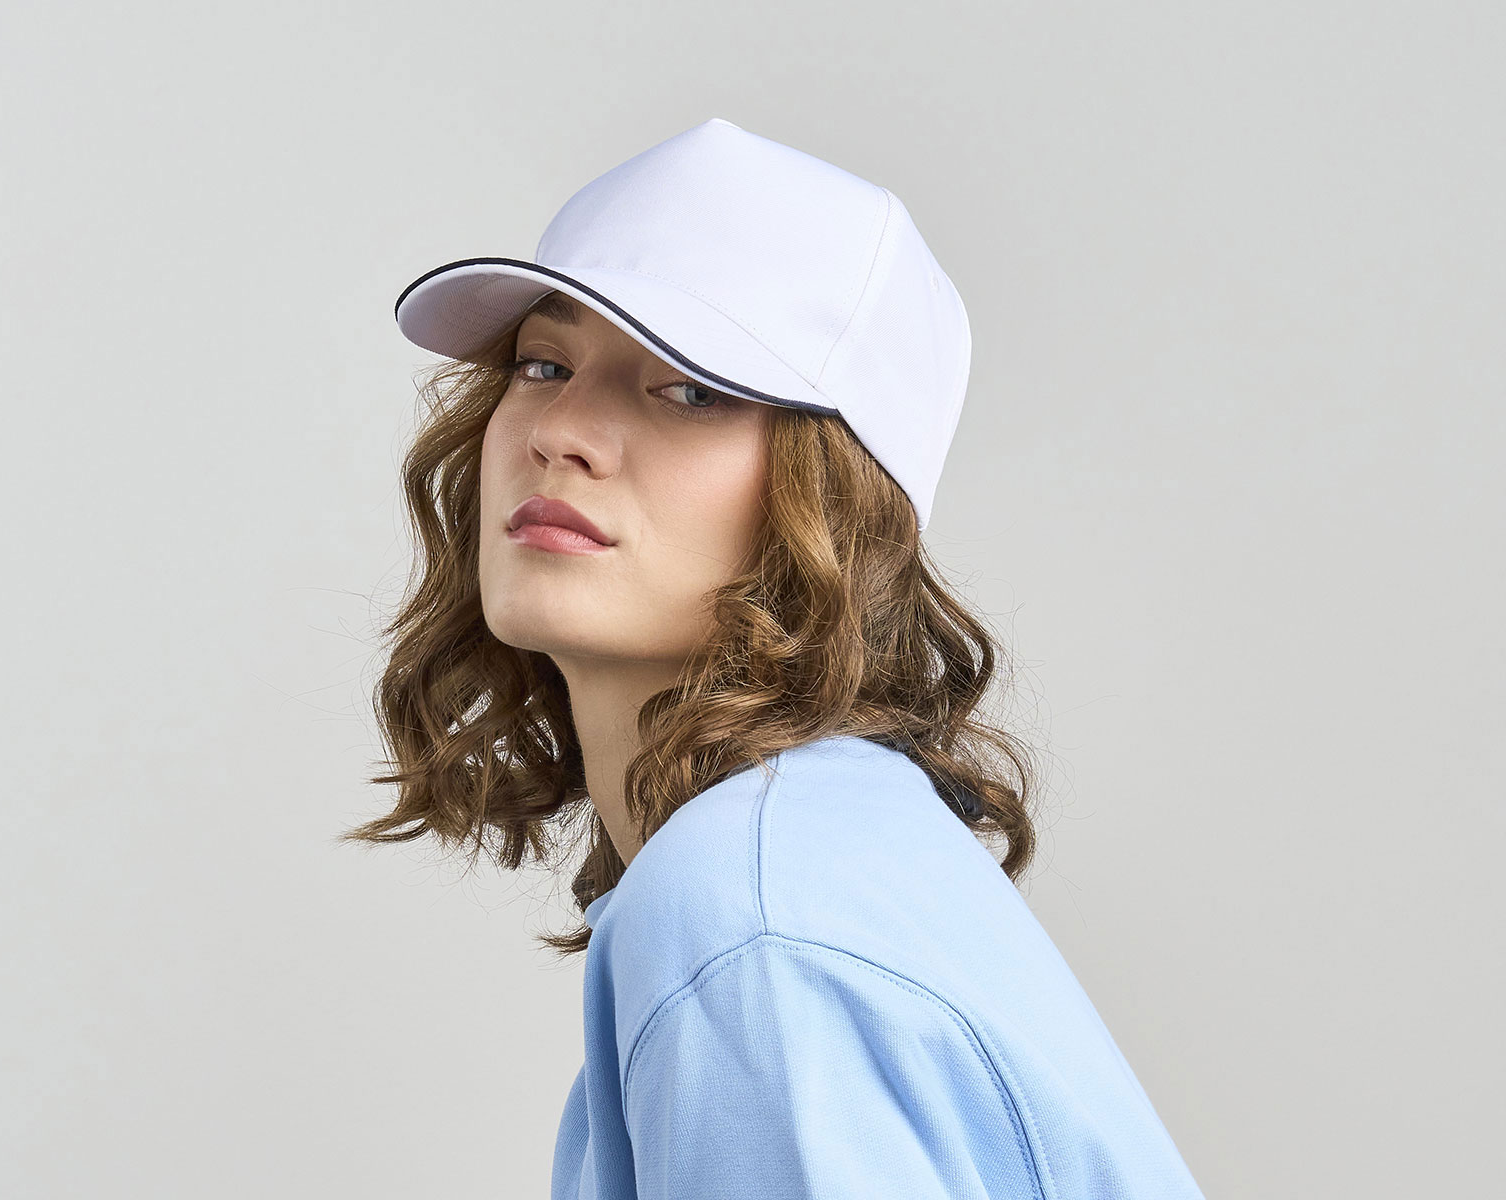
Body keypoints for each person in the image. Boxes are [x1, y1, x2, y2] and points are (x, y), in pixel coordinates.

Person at [342, 118, 1206, 1199]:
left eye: (691, 389)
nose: (560, 431)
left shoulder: (747, 924)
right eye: (543, 363)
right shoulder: (806, 851)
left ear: (836, 495)